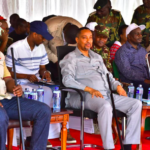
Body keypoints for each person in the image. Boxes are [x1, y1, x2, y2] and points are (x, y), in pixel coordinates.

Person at [59, 27, 142, 150]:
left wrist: (117, 86)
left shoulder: (97, 57)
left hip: (106, 95)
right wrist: (89, 89)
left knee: (136, 104)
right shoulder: (70, 58)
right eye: (84, 37)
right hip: (85, 96)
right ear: (77, 39)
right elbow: (67, 80)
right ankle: (109, 147)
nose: (88, 41)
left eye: (90, 38)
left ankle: (128, 145)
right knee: (106, 106)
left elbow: (109, 77)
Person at [5, 21, 53, 148]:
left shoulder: (41, 47)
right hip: (19, 83)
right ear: (35, 34)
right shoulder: (15, 48)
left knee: (48, 91)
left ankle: (39, 135)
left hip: (34, 81)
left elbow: (42, 67)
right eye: (42, 37)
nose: (44, 40)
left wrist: (45, 73)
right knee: (33, 93)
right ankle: (29, 136)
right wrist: (26, 76)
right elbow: (8, 73)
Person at [0, 51, 51, 150]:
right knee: (1, 117)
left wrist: (14, 87)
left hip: (5, 99)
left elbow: (8, 79)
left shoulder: (0, 55)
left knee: (43, 111)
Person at [115, 23, 150, 99]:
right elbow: (128, 72)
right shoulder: (122, 51)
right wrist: (145, 80)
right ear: (129, 36)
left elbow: (147, 66)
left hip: (145, 80)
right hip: (131, 83)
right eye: (137, 34)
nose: (140, 36)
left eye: (140, 34)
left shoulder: (142, 49)